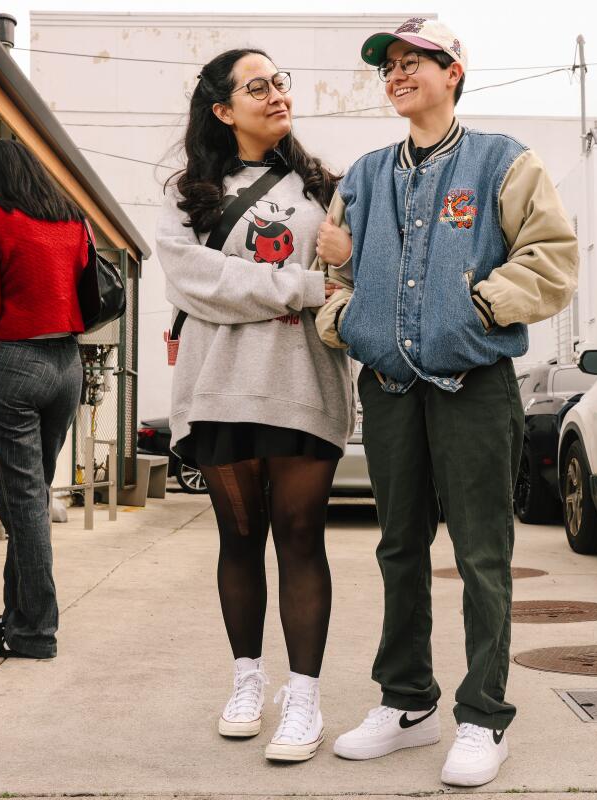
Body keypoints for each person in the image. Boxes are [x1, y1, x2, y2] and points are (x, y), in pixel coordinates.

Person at [315, 19, 578, 787]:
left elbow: (552, 258)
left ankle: (483, 717)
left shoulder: (504, 161)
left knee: (481, 555)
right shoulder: (363, 175)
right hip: (391, 389)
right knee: (398, 548)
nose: (397, 75)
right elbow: (332, 271)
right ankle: (407, 703)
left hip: (474, 387)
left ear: (453, 71)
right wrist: (348, 321)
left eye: (413, 62)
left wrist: (480, 309)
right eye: (389, 66)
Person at [157, 48, 354, 763]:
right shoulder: (191, 192)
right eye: (258, 85)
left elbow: (348, 275)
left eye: (280, 82)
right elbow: (191, 278)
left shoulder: (326, 189)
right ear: (222, 109)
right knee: (238, 539)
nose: (276, 94)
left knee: (301, 537)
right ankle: (248, 681)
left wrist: (339, 260)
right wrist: (301, 287)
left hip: (306, 384)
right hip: (219, 386)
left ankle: (304, 696)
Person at [0, 138, 87, 660]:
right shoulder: (71, 219)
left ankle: (35, 631)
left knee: (25, 505)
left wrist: (6, 330)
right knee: (32, 495)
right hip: (68, 365)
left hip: (14, 360)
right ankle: (16, 615)